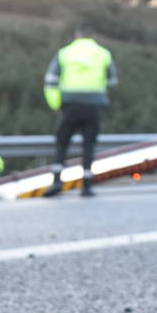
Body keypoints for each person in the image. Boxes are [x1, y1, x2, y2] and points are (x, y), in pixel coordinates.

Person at [42, 26, 117, 197]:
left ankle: (56, 182)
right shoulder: (103, 53)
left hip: (69, 105)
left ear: (76, 35)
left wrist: (55, 104)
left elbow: (51, 80)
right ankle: (87, 185)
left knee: (62, 143)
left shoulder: (65, 53)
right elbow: (112, 81)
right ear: (93, 36)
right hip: (94, 105)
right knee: (89, 145)